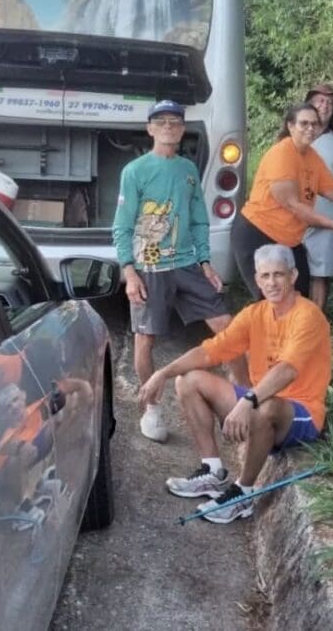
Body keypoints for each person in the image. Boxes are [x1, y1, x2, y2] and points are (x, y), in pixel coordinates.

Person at [137, 244, 332, 524]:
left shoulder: (308, 315)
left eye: (279, 274)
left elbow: (287, 370)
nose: (272, 282)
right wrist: (163, 372)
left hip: (300, 412)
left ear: (293, 276)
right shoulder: (255, 313)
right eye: (265, 276)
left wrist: (248, 400)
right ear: (257, 280)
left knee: (264, 408)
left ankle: (243, 493)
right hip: (260, 401)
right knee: (188, 380)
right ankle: (213, 472)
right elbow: (210, 351)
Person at [112, 99, 242, 444]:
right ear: (150, 129)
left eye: (174, 122)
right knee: (145, 339)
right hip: (150, 264)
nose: (168, 127)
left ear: (183, 129)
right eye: (161, 122)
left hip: (186, 263)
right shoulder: (135, 171)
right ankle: (151, 408)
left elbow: (199, 219)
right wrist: (129, 271)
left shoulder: (187, 170)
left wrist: (205, 262)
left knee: (227, 327)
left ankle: (245, 399)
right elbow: (122, 226)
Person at [232, 104, 333, 299]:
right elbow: (293, 205)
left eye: (314, 124)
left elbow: (332, 189)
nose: (310, 128)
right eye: (304, 123)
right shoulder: (281, 153)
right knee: (272, 299)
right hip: (258, 232)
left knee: (299, 297)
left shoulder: (312, 156)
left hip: (290, 238)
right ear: (291, 126)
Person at [302, 83, 333, 310]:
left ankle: (316, 317)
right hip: (294, 214)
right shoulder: (295, 135)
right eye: (320, 100)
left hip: (326, 214)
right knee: (292, 268)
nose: (325, 105)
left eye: (330, 102)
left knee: (320, 272)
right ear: (310, 103)